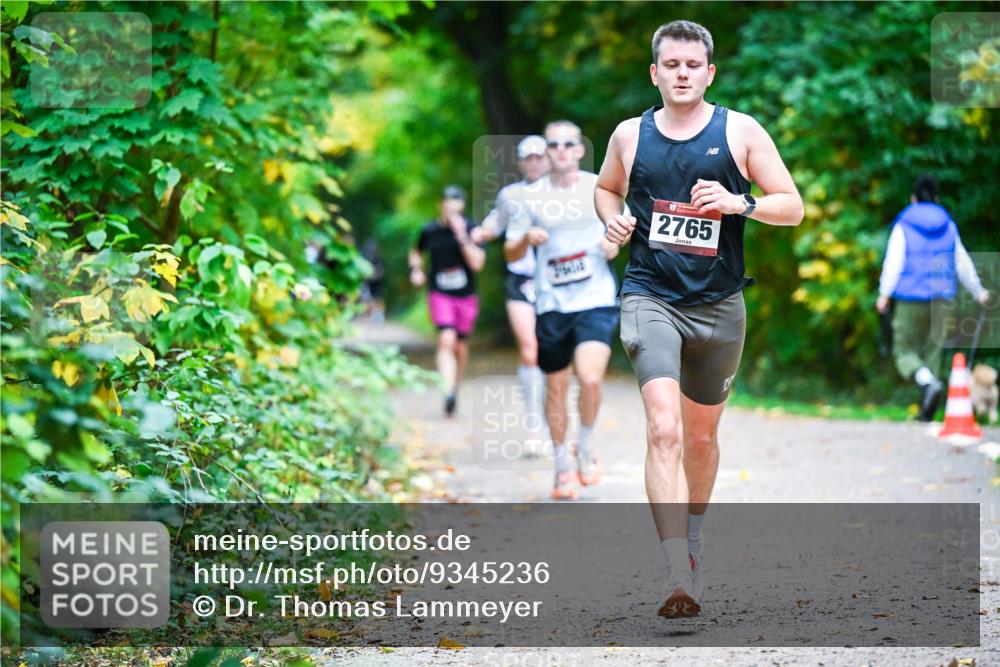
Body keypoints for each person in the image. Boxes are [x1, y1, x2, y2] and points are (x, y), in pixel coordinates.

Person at [595, 20, 804, 618]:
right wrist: (612, 220)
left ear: (709, 74)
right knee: (663, 429)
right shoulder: (629, 135)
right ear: (654, 73)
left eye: (693, 65)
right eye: (672, 65)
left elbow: (792, 206)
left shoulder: (740, 131)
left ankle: (692, 538)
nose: (682, 74)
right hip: (650, 297)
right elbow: (606, 189)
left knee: (702, 437)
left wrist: (741, 203)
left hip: (719, 305)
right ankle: (675, 572)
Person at [506, 120, 621, 501]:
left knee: (590, 377)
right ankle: (561, 464)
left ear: (580, 150)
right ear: (546, 152)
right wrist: (525, 239)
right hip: (551, 304)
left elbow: (621, 228)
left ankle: (584, 444)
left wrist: (614, 243)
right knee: (555, 388)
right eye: (553, 145)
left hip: (595, 299)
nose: (560, 151)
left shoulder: (599, 187)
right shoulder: (529, 198)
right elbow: (510, 252)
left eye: (568, 144)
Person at [876, 174, 990, 421]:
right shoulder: (948, 225)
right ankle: (928, 409)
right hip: (942, 299)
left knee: (903, 350)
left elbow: (894, 262)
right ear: (937, 198)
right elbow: (962, 262)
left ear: (913, 198)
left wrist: (884, 293)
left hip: (910, 298)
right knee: (933, 353)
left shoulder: (904, 224)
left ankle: (927, 388)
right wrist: (979, 291)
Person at [472, 135, 551, 455]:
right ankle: (534, 426)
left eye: (538, 157)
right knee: (530, 351)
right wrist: (482, 232)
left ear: (548, 159)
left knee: (555, 353)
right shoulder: (510, 194)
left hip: (557, 281)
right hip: (522, 280)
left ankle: (554, 422)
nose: (534, 162)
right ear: (519, 162)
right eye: (527, 157)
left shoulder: (564, 193)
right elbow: (497, 220)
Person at [409, 186, 486, 416]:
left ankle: (454, 385)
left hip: (466, 295)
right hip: (439, 293)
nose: (450, 208)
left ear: (462, 206)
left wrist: (462, 237)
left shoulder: (472, 229)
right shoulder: (429, 230)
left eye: (456, 204)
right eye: (447, 203)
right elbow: (416, 251)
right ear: (440, 205)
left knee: (460, 347)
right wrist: (416, 270)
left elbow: (478, 264)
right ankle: (447, 389)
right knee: (446, 338)